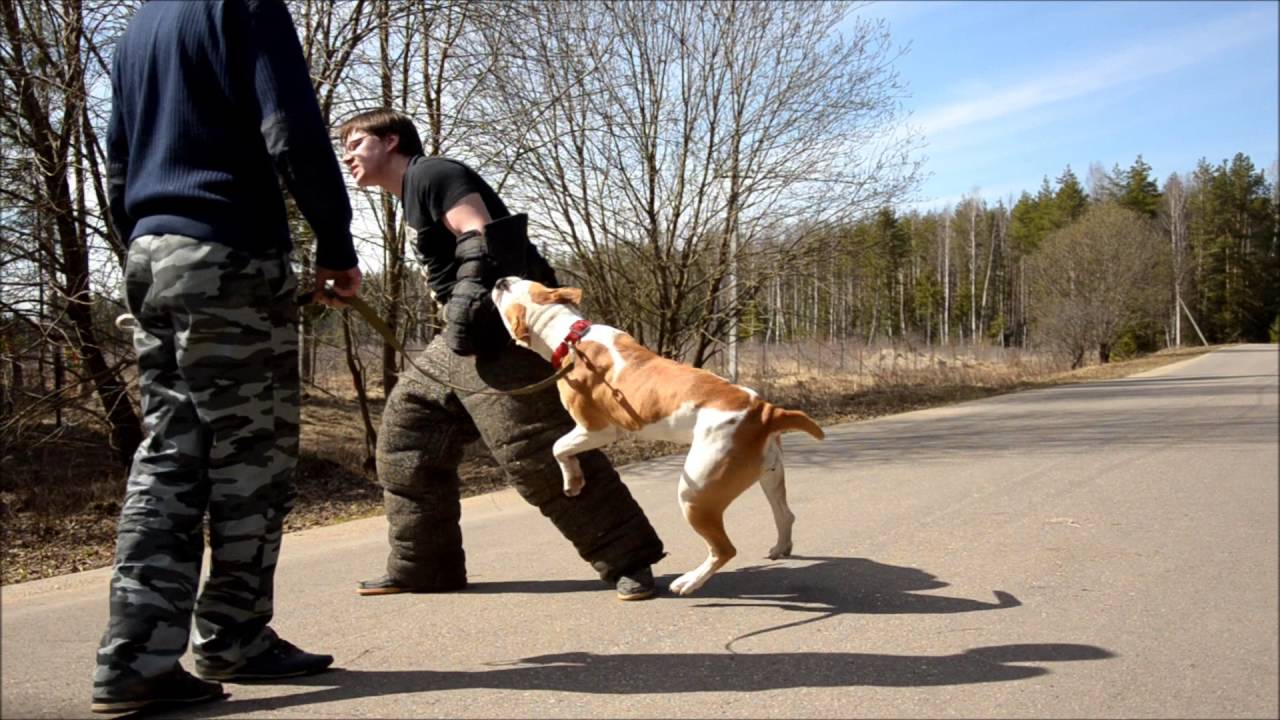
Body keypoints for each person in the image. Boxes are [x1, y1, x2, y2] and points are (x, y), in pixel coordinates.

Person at [92, 0, 362, 714]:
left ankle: (137, 659)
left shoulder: (140, 27)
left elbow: (117, 158)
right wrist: (335, 243)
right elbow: (292, 130)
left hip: (151, 250)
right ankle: (235, 635)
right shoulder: (243, 4)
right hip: (228, 249)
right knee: (253, 457)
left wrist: (146, 243)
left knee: (170, 454)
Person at [336, 109, 666, 602]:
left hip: (506, 334)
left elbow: (479, 233)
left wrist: (468, 298)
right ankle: (424, 565)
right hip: (461, 339)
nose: (347, 156)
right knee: (407, 438)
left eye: (356, 143)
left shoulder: (432, 173)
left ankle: (629, 560)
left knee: (535, 452)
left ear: (390, 141)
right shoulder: (410, 194)